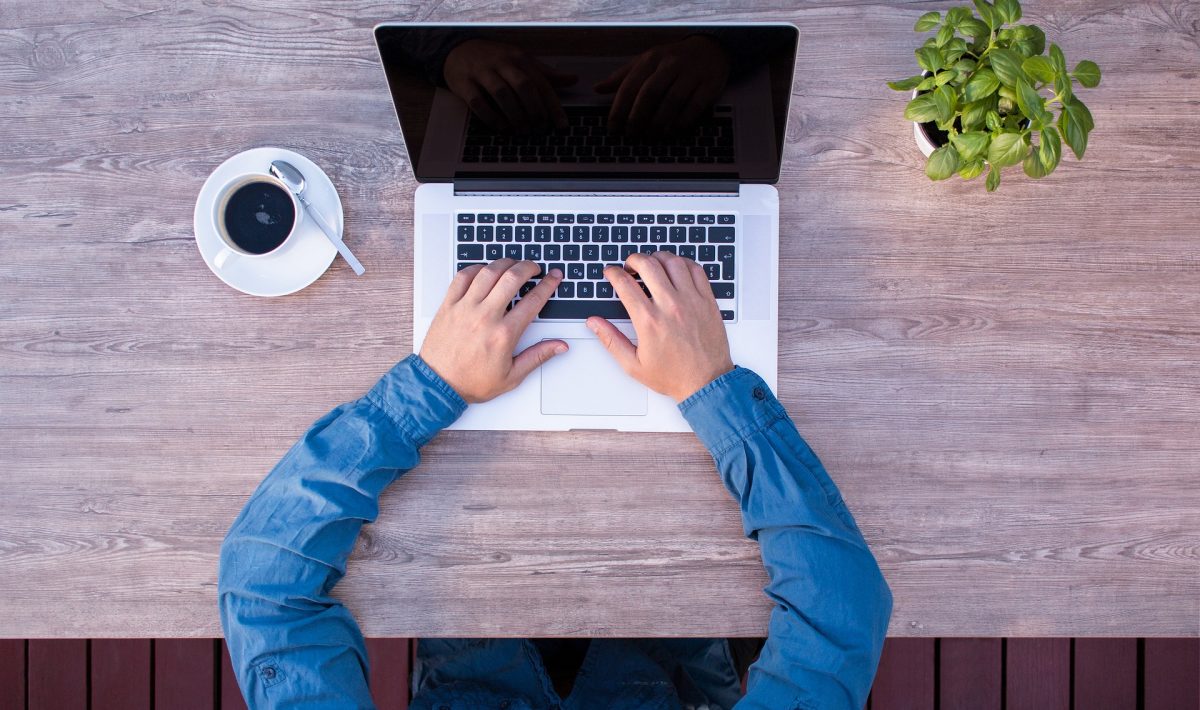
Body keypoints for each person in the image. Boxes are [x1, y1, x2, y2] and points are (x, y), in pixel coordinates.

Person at [218, 253, 893, 709]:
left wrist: (428, 389)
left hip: (476, 643)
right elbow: (838, 613)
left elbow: (265, 584)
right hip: (669, 653)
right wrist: (708, 387)